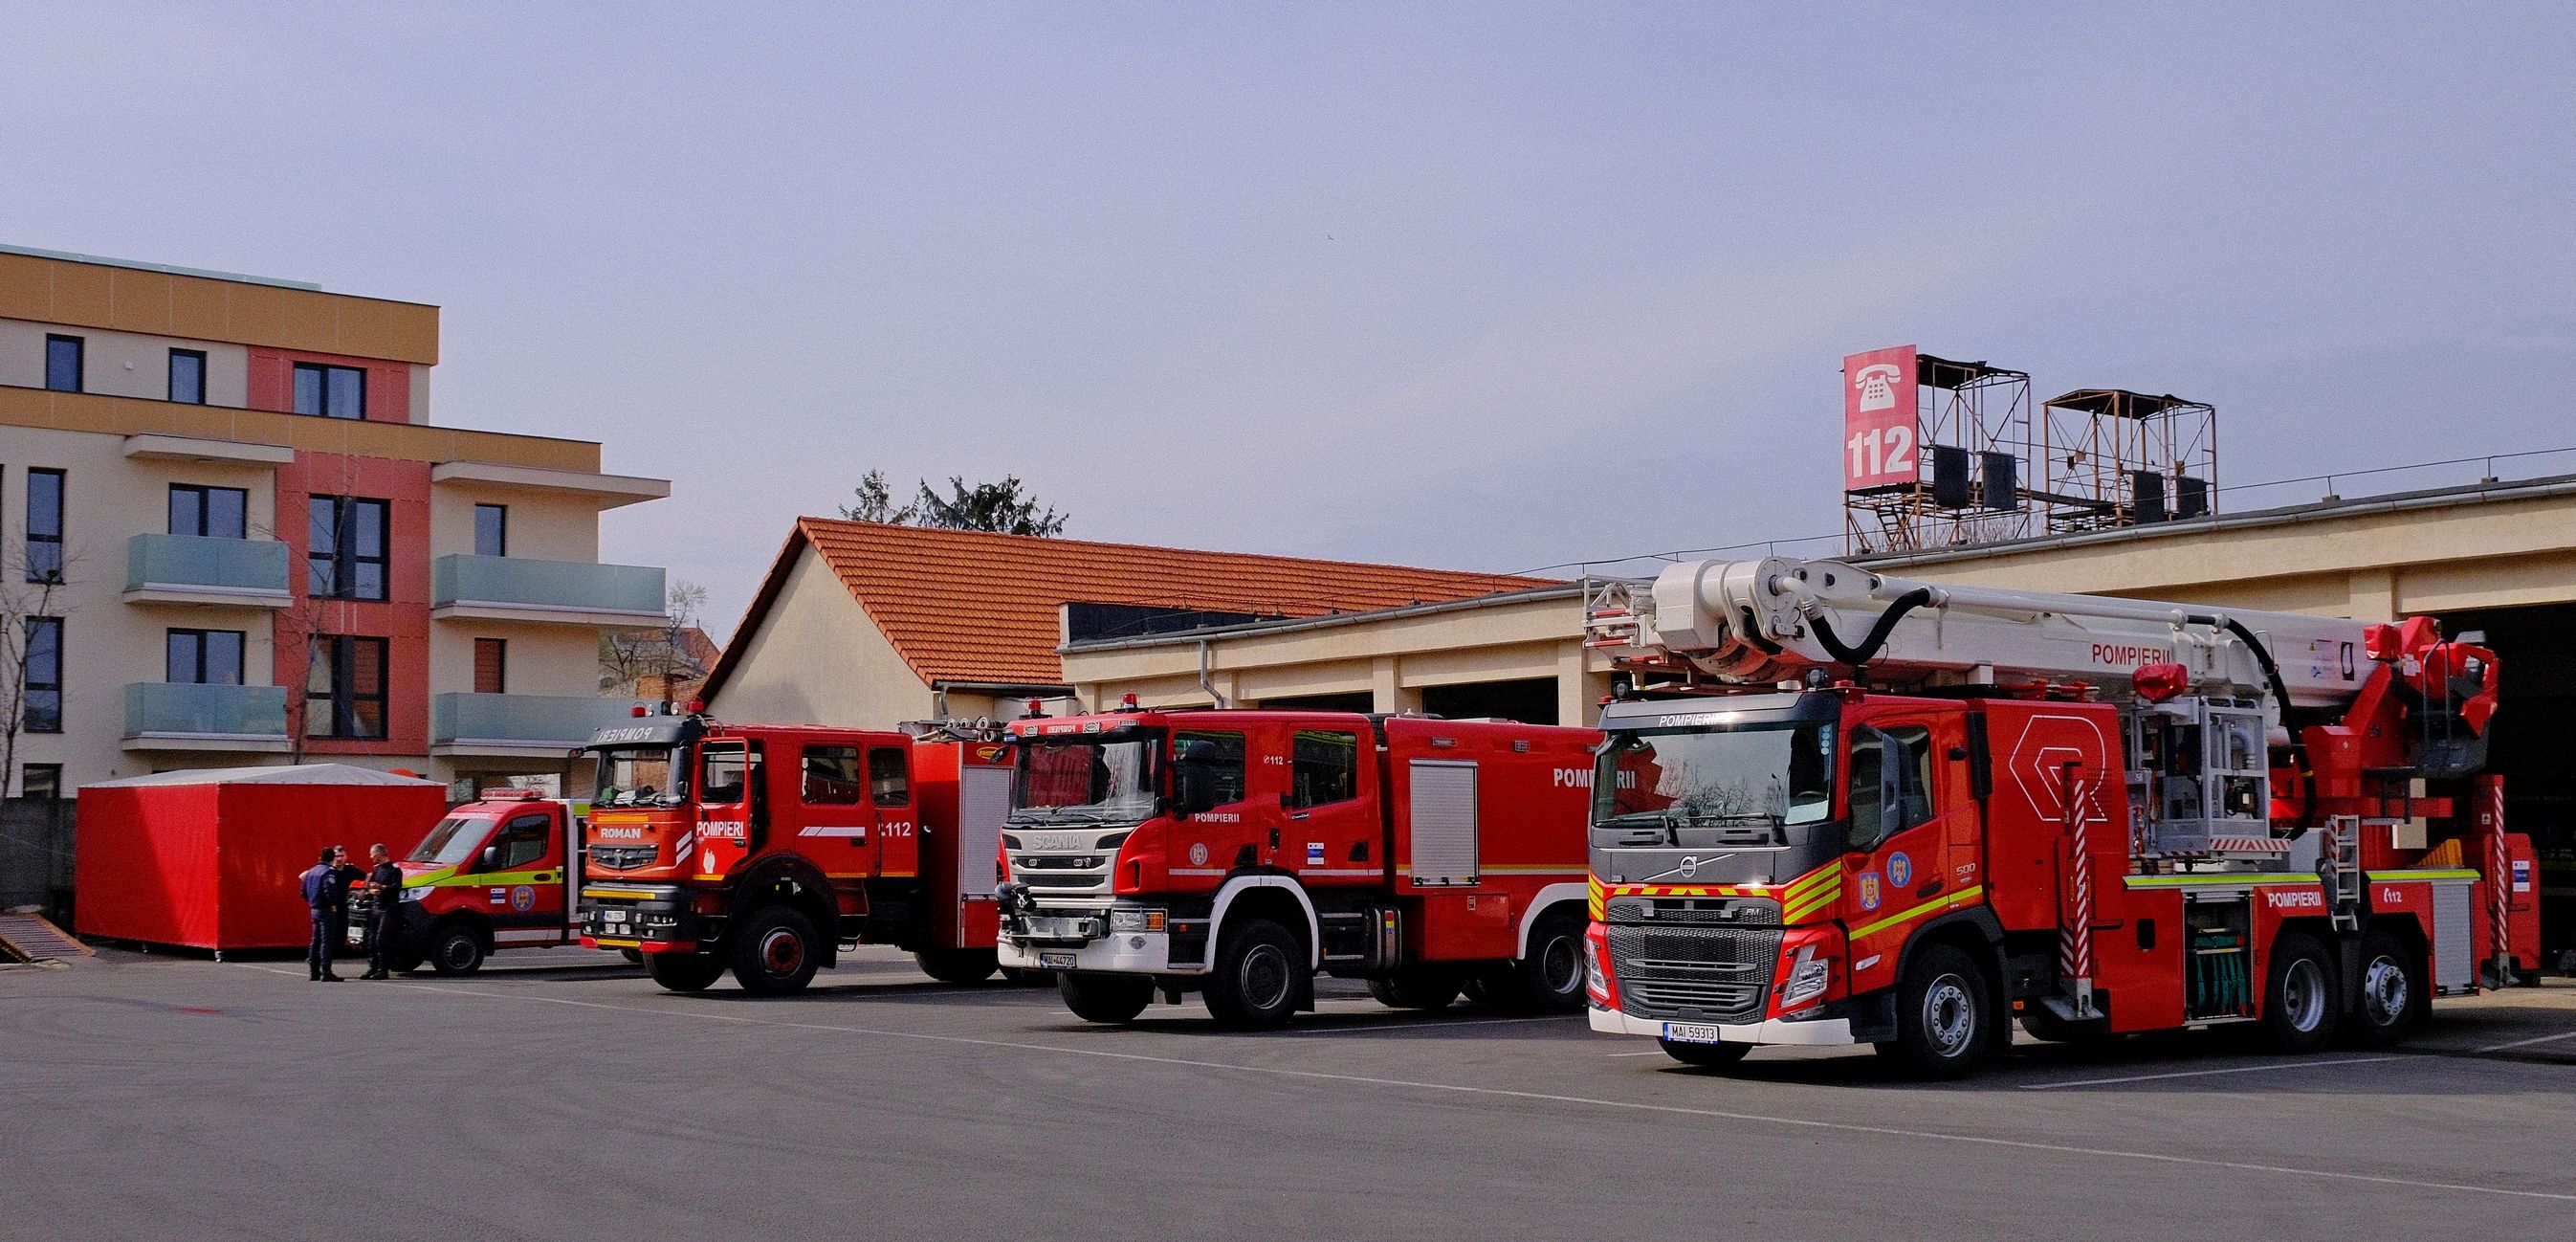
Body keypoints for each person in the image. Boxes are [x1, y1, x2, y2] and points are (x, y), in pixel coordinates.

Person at [299, 848, 344, 982]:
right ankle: (326, 971)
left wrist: (312, 901)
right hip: (326, 909)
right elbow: (329, 890)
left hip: (314, 909)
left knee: (315, 940)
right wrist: (333, 903)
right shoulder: (329, 872)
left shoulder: (311, 871)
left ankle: (314, 971)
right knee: (327, 941)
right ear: (333, 858)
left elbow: (302, 891)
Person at [361, 843, 402, 980]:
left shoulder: (394, 871)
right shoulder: (376, 870)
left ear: (379, 854)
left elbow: (396, 887)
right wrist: (369, 888)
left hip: (388, 908)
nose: (370, 856)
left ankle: (383, 969)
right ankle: (372, 967)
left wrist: (382, 887)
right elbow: (369, 886)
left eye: (372, 853)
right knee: (371, 938)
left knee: (381, 939)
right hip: (376, 906)